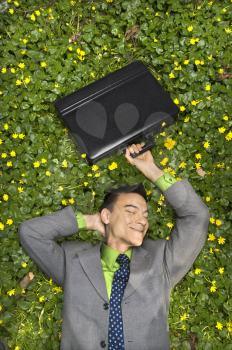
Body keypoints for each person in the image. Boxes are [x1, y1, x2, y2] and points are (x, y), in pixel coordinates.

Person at [18, 143, 210, 350]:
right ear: (107, 215)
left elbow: (196, 216)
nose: (142, 220)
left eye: (145, 215)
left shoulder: (162, 259)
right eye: (131, 211)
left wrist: (151, 169)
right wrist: (90, 221)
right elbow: (31, 233)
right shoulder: (72, 260)